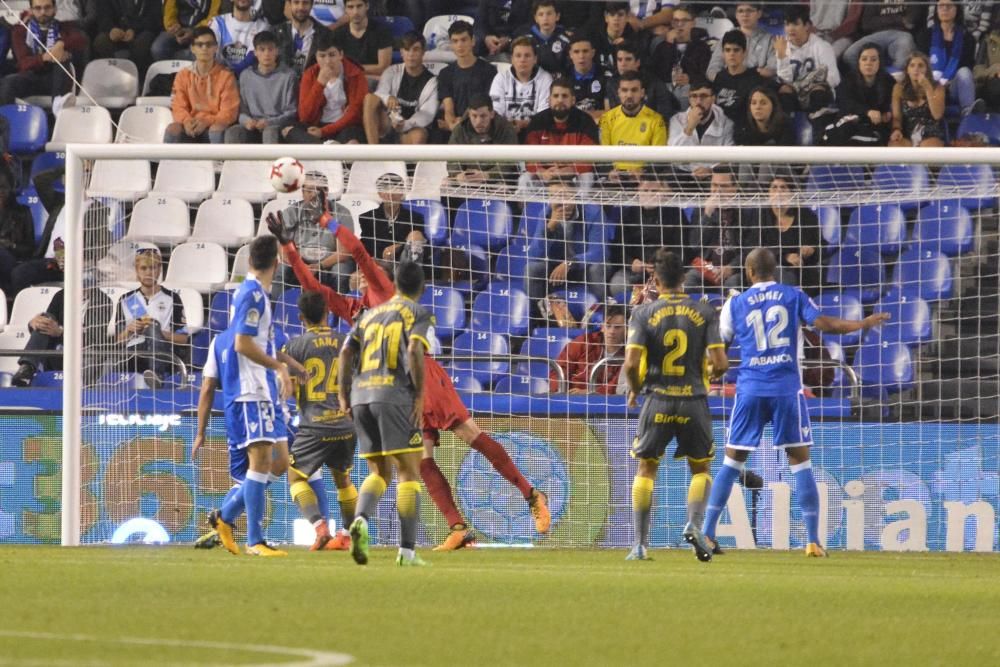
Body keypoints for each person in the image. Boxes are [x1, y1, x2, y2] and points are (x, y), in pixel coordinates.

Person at [267, 212, 551, 552]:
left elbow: (359, 252)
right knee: (423, 459)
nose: (357, 276)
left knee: (471, 436)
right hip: (397, 389)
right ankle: (459, 528)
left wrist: (330, 221)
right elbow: (313, 288)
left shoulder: (384, 294)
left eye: (363, 274)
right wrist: (288, 247)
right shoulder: (354, 310)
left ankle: (531, 494)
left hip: (424, 378)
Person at [698, 248, 890, 561]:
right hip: (787, 389)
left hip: (750, 390)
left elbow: (717, 346)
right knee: (800, 463)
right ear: (775, 270)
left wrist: (705, 370)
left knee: (732, 462)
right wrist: (862, 323)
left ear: (748, 272)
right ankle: (813, 542)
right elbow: (824, 324)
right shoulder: (793, 295)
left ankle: (707, 531)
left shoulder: (736, 303)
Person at [621, 248, 729, 561]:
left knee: (646, 467)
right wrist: (707, 373)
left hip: (657, 400)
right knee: (700, 468)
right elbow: (721, 363)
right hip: (693, 401)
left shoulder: (642, 313)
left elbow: (630, 364)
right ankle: (694, 525)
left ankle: (639, 545)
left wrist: (635, 389)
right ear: (684, 277)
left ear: (654, 278)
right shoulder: (706, 311)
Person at [200, 235, 293, 557]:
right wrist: (278, 367)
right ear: (276, 263)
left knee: (276, 461)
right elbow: (242, 343)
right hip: (251, 390)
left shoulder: (256, 292)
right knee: (260, 463)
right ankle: (255, 539)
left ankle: (225, 518)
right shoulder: (252, 293)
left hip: (260, 390)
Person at [337, 261, 430, 567]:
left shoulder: (370, 313)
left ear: (396, 284)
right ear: (422, 287)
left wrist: (343, 393)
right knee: (408, 472)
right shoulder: (417, 313)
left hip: (361, 395)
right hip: (394, 395)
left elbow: (345, 351)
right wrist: (418, 394)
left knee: (379, 473)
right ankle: (406, 552)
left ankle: (360, 520)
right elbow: (415, 351)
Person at [283, 290, 358, 551]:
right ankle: (347, 537)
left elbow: (288, 388)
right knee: (343, 480)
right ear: (328, 313)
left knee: (295, 477)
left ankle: (320, 527)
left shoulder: (293, 348)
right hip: (346, 423)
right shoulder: (346, 341)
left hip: (313, 426)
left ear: (301, 317)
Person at [113, 246, 189, 389]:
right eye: (144, 268)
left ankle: (156, 374)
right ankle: (155, 376)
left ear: (159, 270)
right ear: (137, 271)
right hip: (134, 353)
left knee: (153, 327)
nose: (149, 272)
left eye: (153, 268)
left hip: (163, 351)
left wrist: (158, 332)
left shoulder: (172, 298)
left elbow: (184, 339)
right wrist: (130, 330)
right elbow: (118, 340)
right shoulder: (125, 299)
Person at [10, 286, 115, 387]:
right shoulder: (61, 296)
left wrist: (61, 332)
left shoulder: (103, 300)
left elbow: (94, 339)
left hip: (84, 355)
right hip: (59, 351)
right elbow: (47, 325)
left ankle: (28, 368)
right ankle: (27, 367)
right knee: (46, 318)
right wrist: (33, 323)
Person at [282, 30, 367, 144]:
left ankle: (322, 149)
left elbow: (354, 114)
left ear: (341, 54)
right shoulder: (310, 74)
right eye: (322, 56)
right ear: (316, 57)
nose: (327, 61)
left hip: (344, 126)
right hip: (316, 125)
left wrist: (324, 132)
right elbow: (305, 116)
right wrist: (319, 84)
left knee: (353, 140)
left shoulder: (355, 74)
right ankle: (331, 148)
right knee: (286, 129)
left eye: (332, 55)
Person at [684, 166, 761, 292]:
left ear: (735, 188)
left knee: (734, 283)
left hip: (734, 271)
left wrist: (732, 267)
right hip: (706, 269)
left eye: (723, 187)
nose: (717, 192)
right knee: (689, 280)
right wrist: (707, 216)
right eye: (714, 185)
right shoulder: (701, 210)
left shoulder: (748, 212)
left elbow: (751, 249)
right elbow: (694, 245)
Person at [276, 170, 354, 292]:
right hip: (299, 262)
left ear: (326, 192)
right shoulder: (291, 213)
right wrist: (300, 265)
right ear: (302, 193)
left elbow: (344, 253)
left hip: (330, 263)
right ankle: (277, 309)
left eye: (318, 190)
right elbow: (283, 250)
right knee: (281, 271)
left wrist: (319, 266)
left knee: (340, 272)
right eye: (309, 190)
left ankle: (342, 310)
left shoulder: (342, 214)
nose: (313, 194)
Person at [521, 76, 600, 194]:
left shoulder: (585, 121)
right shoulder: (538, 121)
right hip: (546, 173)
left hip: (573, 173)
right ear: (549, 99)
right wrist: (541, 172)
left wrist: (569, 170)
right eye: (556, 96)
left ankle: (582, 211)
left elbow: (590, 157)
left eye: (564, 96)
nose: (560, 100)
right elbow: (529, 157)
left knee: (587, 176)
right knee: (525, 179)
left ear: (573, 100)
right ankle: (529, 211)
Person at [0, 0, 87, 105]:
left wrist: (61, 44)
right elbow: (23, 63)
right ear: (31, 10)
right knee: (7, 83)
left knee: (62, 60)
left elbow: (81, 40)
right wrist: (45, 57)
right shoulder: (20, 31)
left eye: (47, 7)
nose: (43, 12)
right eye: (38, 8)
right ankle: (6, 119)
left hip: (57, 79)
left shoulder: (64, 27)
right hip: (31, 79)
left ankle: (58, 104)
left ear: (54, 9)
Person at [164, 26, 240, 144]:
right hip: (190, 126)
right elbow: (178, 106)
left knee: (217, 128)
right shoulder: (183, 75)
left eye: (209, 44)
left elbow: (229, 112)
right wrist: (186, 121)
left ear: (215, 48)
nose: (205, 48)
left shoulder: (226, 76)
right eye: (200, 45)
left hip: (213, 126)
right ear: (192, 48)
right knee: (173, 129)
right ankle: (167, 162)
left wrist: (206, 121)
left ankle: (217, 162)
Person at [363, 32, 437, 145]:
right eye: (407, 50)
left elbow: (427, 114)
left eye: (416, 49)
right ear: (402, 52)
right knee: (370, 99)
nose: (411, 54)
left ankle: (410, 163)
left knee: (419, 135)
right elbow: (380, 92)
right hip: (388, 123)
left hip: (410, 129)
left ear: (423, 52)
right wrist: (388, 98)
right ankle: (373, 153)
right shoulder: (392, 71)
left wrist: (405, 124)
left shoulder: (432, 81)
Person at [224, 30, 298, 144]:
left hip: (276, 126)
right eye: (262, 49)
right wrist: (247, 121)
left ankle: (271, 162)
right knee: (233, 132)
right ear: (255, 52)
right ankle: (232, 162)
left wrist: (269, 122)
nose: (266, 54)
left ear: (277, 51)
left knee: (270, 132)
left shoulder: (288, 76)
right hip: (253, 125)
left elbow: (291, 112)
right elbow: (241, 110)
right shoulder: (245, 75)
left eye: (270, 49)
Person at [435, 20, 504, 139]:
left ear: (473, 41)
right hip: (455, 128)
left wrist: (461, 123)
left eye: (463, 40)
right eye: (455, 41)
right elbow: (448, 107)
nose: (459, 45)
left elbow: (486, 105)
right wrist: (452, 123)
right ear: (451, 44)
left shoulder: (489, 71)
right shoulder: (445, 73)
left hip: (480, 125)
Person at [917, 0, 984, 118]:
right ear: (936, 9)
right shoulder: (925, 35)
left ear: (957, 9)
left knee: (964, 72)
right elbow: (920, 64)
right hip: (930, 86)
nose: (945, 9)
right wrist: (935, 82)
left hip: (953, 87)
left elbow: (967, 66)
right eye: (941, 6)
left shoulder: (967, 38)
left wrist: (947, 81)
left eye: (949, 6)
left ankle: (968, 114)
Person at [759, 175, 822, 293]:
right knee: (780, 272)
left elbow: (820, 246)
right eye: (774, 187)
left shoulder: (806, 216)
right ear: (768, 193)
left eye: (783, 188)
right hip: (767, 271)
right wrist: (785, 257)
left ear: (791, 193)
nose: (778, 192)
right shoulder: (760, 217)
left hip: (802, 272)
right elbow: (756, 248)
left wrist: (811, 250)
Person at [599, 71, 667, 180]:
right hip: (615, 177)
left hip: (644, 178)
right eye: (625, 90)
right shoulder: (607, 119)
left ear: (642, 93)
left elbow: (659, 159)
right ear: (619, 93)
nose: (629, 95)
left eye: (634, 90)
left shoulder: (656, 120)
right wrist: (609, 172)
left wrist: (644, 173)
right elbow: (601, 155)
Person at [775, 6, 840, 113]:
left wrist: (810, 85)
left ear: (806, 26)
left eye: (795, 24)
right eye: (787, 24)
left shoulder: (822, 46)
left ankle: (818, 125)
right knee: (784, 90)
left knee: (818, 91)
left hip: (816, 91)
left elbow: (834, 77)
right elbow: (786, 80)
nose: (790, 29)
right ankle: (787, 125)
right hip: (795, 91)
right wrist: (782, 58)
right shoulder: (783, 46)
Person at [551, 303, 627, 394]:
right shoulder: (584, 342)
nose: (611, 331)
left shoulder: (630, 353)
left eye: (617, 327)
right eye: (608, 326)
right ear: (602, 327)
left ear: (626, 329)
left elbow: (617, 385)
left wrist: (590, 393)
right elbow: (558, 371)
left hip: (606, 402)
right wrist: (561, 392)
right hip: (572, 398)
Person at [668, 79, 734, 184]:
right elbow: (673, 156)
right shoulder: (676, 120)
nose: (698, 101)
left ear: (713, 99)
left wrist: (710, 170)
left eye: (703, 96)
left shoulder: (726, 123)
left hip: (712, 176)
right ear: (689, 99)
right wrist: (690, 127)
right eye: (694, 96)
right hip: (683, 173)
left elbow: (728, 157)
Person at [356, 172, 427, 267]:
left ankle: (407, 277)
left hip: (404, 264)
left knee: (416, 236)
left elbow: (421, 244)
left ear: (402, 192)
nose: (390, 194)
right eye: (386, 189)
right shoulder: (367, 217)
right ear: (379, 194)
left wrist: (398, 246)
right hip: (379, 263)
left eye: (395, 189)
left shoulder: (415, 218)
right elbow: (368, 245)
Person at [446, 94, 520, 185]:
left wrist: (488, 175)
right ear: (469, 114)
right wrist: (458, 175)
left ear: (492, 114)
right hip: (468, 179)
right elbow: (451, 159)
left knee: (503, 187)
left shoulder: (505, 129)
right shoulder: (460, 130)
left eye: (483, 116)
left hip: (498, 179)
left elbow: (509, 163)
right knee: (447, 183)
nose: (478, 122)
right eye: (474, 116)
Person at [649, 5, 711, 109]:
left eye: (684, 21)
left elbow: (705, 74)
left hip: (690, 89)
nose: (679, 25)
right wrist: (669, 45)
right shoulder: (662, 46)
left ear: (693, 23)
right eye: (676, 21)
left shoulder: (702, 47)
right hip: (666, 88)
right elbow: (657, 73)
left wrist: (690, 78)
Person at [834, 42, 896, 146]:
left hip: (877, 126)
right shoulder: (849, 80)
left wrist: (887, 113)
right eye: (864, 59)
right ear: (858, 62)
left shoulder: (888, 81)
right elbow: (845, 103)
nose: (868, 63)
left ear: (880, 62)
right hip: (852, 124)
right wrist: (867, 112)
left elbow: (892, 104)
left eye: (873, 59)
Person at [489, 36, 553, 136]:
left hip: (536, 133)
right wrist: (509, 126)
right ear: (512, 59)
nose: (522, 60)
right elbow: (495, 111)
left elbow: (544, 115)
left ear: (535, 59)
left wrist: (523, 124)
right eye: (518, 56)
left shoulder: (545, 79)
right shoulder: (501, 78)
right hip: (505, 132)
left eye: (527, 55)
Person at [604, 41, 676, 121]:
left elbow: (664, 116)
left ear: (637, 63)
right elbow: (615, 114)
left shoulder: (655, 83)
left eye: (628, 59)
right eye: (619, 60)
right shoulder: (612, 83)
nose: (623, 64)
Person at [841, 0, 920, 72]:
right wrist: (899, 19)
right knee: (850, 55)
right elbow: (867, 24)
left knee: (904, 51)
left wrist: (881, 20)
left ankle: (893, 82)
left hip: (900, 34)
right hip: (876, 35)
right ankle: (868, 80)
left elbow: (910, 22)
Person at [890, 52, 947, 147]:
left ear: (927, 70)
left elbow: (937, 115)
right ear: (907, 70)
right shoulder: (899, 88)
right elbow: (897, 117)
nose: (916, 69)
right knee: (895, 145)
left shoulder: (937, 87)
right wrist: (896, 129)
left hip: (930, 133)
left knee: (928, 147)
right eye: (912, 66)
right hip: (906, 132)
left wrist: (928, 88)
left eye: (920, 66)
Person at [707, 3, 775, 81]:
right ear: (736, 15)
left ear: (759, 13)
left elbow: (772, 69)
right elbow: (712, 69)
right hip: (728, 83)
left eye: (749, 10)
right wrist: (724, 80)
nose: (745, 14)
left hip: (756, 85)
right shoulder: (727, 37)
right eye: (740, 11)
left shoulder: (769, 39)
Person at [92, 0, 161, 76]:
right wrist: (111, 29)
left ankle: (133, 76)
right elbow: (103, 16)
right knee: (101, 41)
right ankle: (114, 74)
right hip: (116, 31)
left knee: (143, 42)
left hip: (141, 31)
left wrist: (134, 30)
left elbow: (154, 19)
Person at [712, 29, 766, 124]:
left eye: (736, 50)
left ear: (744, 53)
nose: (731, 54)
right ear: (723, 53)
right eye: (727, 50)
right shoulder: (719, 78)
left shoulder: (755, 79)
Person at [332, 0, 391, 76]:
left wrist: (351, 69)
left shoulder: (382, 31)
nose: (355, 12)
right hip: (347, 79)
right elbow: (334, 66)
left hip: (374, 80)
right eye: (350, 7)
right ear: (345, 9)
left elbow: (383, 68)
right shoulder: (337, 34)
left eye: (359, 6)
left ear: (367, 6)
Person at [209, 0, 269, 75]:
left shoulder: (262, 27)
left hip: (247, 79)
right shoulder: (217, 22)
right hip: (218, 76)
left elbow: (253, 56)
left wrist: (232, 73)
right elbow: (210, 52)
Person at [0, 168, 35, 297]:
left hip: (13, 257)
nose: (1, 192)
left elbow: (30, 248)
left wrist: (10, 245)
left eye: (4, 188)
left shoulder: (22, 212)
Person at [152, 0, 220, 62]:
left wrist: (194, 31)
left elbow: (214, 17)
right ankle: (170, 73)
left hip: (202, 31)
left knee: (200, 54)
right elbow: (169, 11)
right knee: (158, 48)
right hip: (178, 28)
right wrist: (173, 26)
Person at [274, 0, 330, 75]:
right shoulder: (277, 33)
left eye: (305, 3)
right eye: (296, 2)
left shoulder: (325, 34)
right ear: (290, 4)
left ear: (311, 5)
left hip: (312, 83)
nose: (301, 7)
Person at [516, 0, 571, 76]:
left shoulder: (566, 40)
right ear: (535, 18)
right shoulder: (526, 40)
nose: (545, 18)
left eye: (549, 14)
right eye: (541, 14)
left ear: (557, 16)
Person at [566, 34, 611, 120]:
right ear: (570, 54)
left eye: (585, 51)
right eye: (576, 52)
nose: (581, 56)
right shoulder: (564, 78)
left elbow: (610, 112)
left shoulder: (606, 76)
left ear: (593, 53)